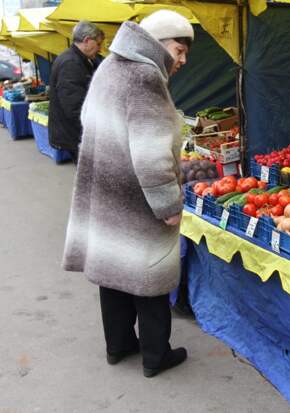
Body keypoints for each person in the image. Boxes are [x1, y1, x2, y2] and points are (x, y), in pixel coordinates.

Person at [61, 10, 193, 378]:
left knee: (113, 271)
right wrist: (168, 205)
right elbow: (151, 156)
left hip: (105, 188)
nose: (181, 60)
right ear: (159, 42)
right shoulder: (145, 77)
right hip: (138, 198)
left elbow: (89, 121)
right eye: (180, 50)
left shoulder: (108, 68)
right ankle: (156, 356)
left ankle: (118, 346)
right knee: (149, 276)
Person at [49, 21, 104, 161]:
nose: (100, 49)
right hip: (77, 134)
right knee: (88, 177)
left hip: (77, 133)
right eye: (98, 44)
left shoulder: (80, 59)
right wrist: (93, 133)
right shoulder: (71, 63)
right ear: (87, 40)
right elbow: (74, 107)